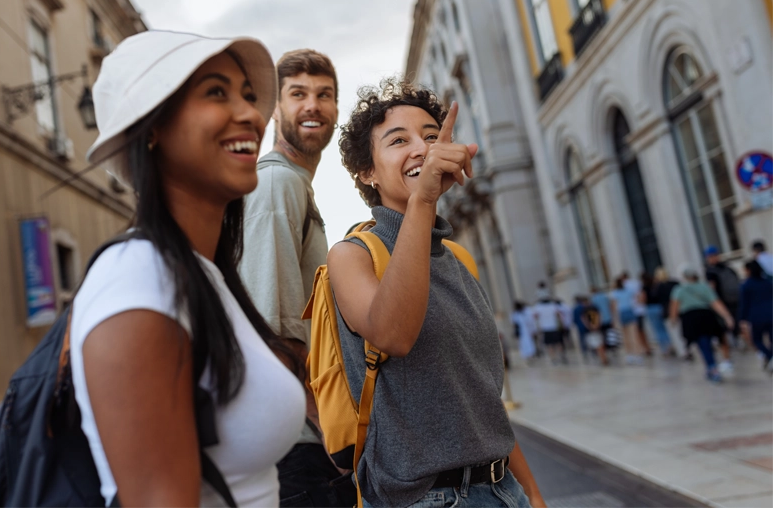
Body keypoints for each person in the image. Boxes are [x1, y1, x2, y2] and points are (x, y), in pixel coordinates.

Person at [74, 31, 306, 506]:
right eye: (216, 92)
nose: (251, 114)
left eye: (246, 94)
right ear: (151, 128)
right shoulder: (137, 277)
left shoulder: (205, 274)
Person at [329, 79, 545, 508]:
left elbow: (480, 398)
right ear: (366, 172)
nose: (422, 148)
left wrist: (532, 494)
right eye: (398, 140)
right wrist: (423, 199)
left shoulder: (459, 259)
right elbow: (392, 335)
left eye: (431, 136)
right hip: (424, 499)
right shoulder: (352, 256)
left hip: (503, 489)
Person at [238, 50, 352, 507]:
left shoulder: (296, 186)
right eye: (298, 94)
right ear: (275, 110)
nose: (313, 106)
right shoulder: (276, 185)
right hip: (299, 446)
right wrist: (331, 434)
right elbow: (273, 330)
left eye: (324, 95)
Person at [669, 265, 735, 383]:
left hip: (690, 318)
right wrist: (727, 316)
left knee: (702, 344)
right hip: (706, 316)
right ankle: (712, 366)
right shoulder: (704, 287)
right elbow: (715, 303)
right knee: (707, 342)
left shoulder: (679, 289)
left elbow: (674, 306)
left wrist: (673, 319)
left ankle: (712, 367)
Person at [705, 246, 742, 356]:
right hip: (735, 298)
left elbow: (711, 288)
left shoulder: (710, 271)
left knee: (725, 322)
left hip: (722, 301)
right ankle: (739, 338)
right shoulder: (728, 268)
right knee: (737, 319)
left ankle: (732, 342)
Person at [739, 260, 773, 372]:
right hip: (771, 315)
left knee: (756, 340)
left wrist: (742, 318)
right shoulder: (767, 282)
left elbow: (744, 304)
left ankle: (769, 356)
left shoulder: (746, 285)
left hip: (757, 317)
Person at [610, 276, 643, 364]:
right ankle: (638, 355)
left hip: (622, 313)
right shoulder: (628, 291)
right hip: (630, 311)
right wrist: (636, 304)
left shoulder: (615, 293)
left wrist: (614, 317)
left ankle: (630, 355)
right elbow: (638, 296)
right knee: (634, 335)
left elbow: (613, 306)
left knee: (625, 336)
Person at [532, 287, 565, 364]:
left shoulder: (538, 307)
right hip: (554, 327)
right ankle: (561, 356)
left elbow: (535, 316)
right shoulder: (553, 305)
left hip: (546, 328)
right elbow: (558, 314)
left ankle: (553, 358)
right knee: (558, 343)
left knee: (549, 344)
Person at [652, 267, 679, 357]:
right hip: (678, 309)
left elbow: (655, 297)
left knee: (672, 331)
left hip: (667, 310)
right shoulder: (674, 283)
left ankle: (678, 349)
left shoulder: (659, 286)